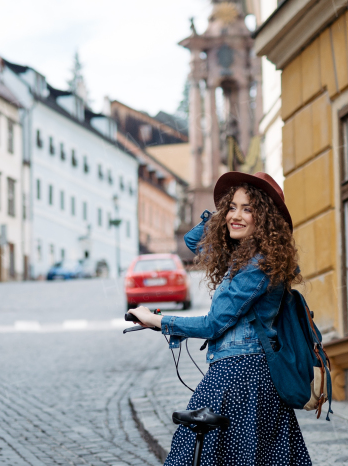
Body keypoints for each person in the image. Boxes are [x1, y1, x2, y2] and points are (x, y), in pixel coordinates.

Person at [128, 171, 311, 466]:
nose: (236, 215)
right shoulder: (244, 257)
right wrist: (224, 216)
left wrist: (156, 320)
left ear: (264, 219)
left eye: (248, 209)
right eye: (233, 206)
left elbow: (213, 324)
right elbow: (192, 241)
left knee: (203, 456)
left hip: (241, 377)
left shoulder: (256, 267)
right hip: (242, 375)